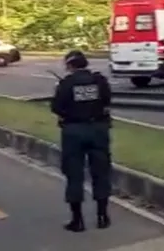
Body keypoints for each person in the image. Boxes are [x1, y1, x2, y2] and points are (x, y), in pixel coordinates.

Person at [51, 50, 113, 232]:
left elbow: (56, 107)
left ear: (70, 65)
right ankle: (102, 216)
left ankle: (77, 220)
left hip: (73, 132)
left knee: (74, 174)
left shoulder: (66, 83)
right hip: (98, 130)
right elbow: (107, 100)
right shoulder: (99, 81)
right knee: (101, 172)